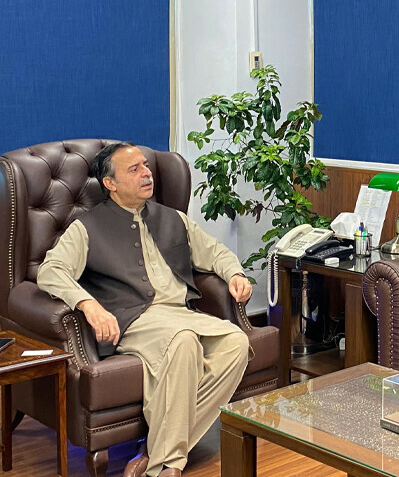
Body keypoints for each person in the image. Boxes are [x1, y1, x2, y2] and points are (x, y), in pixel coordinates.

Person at [37, 142, 254, 477]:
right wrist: (88, 305)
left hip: (181, 314)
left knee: (237, 343)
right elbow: (51, 271)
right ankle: (168, 467)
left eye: (145, 166)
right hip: (135, 319)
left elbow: (215, 252)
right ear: (110, 183)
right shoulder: (87, 228)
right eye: (134, 169)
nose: (146, 173)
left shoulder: (174, 219)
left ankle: (155, 454)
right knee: (184, 343)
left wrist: (235, 273)